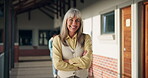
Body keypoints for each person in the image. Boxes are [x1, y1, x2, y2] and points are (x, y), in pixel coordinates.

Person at [52, 8, 92, 78]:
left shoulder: (86, 38)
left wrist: (68, 61)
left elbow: (87, 63)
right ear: (66, 21)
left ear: (80, 23)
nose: (74, 23)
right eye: (71, 20)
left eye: (77, 20)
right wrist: (78, 64)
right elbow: (57, 64)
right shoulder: (57, 39)